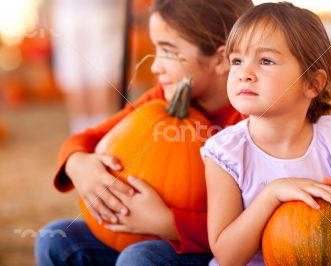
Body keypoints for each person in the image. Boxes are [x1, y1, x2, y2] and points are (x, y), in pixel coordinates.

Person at [35, 0, 254, 265]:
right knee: (55, 239)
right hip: (138, 237)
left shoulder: (249, 122)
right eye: (155, 49)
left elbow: (250, 228)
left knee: (139, 258)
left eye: (168, 52)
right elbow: (87, 138)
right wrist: (77, 163)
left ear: (220, 59)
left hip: (207, 252)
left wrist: (167, 222)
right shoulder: (162, 99)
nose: (154, 66)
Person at [201, 3, 331, 265]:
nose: (245, 73)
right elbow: (227, 256)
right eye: (237, 61)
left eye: (265, 60)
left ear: (312, 83)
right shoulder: (226, 153)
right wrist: (271, 195)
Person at [52, 0, 126, 133]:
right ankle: (83, 138)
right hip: (69, 11)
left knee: (102, 74)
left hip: (104, 11)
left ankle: (102, 138)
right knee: (74, 74)